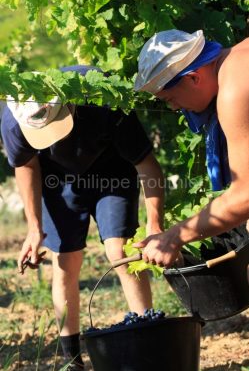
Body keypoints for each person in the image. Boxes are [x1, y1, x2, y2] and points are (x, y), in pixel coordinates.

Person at [1, 65, 164, 370]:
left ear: (70, 104)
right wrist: (33, 229)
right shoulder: (13, 120)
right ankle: (72, 360)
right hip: (56, 181)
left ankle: (147, 339)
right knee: (65, 260)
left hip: (112, 170)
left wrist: (155, 225)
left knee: (121, 253)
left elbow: (147, 166)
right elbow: (25, 166)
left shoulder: (103, 99)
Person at [133, 29, 249, 267]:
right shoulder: (240, 56)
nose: (175, 108)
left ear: (193, 78)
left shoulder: (233, 91)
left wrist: (173, 238)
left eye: (170, 98)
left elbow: (246, 194)